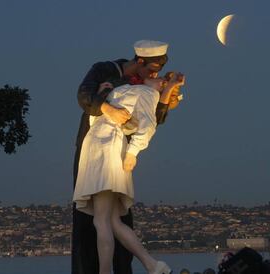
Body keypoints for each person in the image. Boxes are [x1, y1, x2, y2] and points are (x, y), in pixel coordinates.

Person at [74, 40, 182, 274]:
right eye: (153, 71)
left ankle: (108, 271)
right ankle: (153, 265)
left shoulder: (144, 91)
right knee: (111, 221)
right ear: (139, 62)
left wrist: (167, 91)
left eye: (159, 76)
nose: (156, 76)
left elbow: (150, 123)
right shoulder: (121, 79)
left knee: (101, 220)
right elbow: (85, 96)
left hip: (104, 148)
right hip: (100, 146)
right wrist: (105, 98)